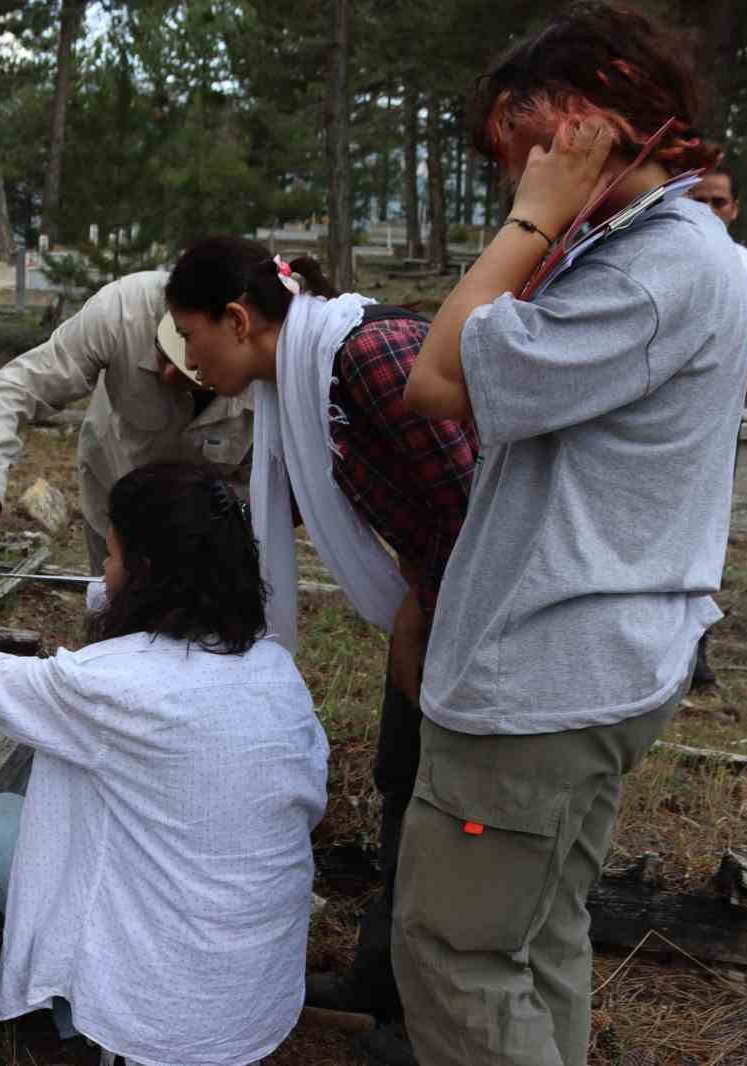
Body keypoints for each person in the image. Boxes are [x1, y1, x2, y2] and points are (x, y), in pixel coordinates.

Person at [398, 5, 747, 1065]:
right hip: (590, 663)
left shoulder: (654, 270)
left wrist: (532, 219)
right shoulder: (667, 249)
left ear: (584, 121)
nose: (516, 172)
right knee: (536, 930)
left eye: (526, 146)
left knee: (454, 952)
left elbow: (434, 377)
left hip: (541, 682)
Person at [0, 462, 327, 1066]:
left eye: (111, 555)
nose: (102, 571)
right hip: (256, 1002)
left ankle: (85, 1017)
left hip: (163, 1021)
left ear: (148, 574)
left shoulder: (116, 687)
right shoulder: (275, 671)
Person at [164, 237, 478, 1064]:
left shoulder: (369, 355)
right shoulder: (292, 384)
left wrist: (418, 612)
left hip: (481, 612)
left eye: (190, 334)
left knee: (451, 807)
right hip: (431, 594)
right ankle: (383, 979)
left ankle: (426, 1025)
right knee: (400, 783)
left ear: (238, 319)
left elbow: (478, 506)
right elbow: (292, 500)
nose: (186, 357)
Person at [0, 271, 252, 572]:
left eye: (190, 371)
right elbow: (16, 388)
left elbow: (270, 487)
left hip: (210, 531)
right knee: (116, 614)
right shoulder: (124, 311)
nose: (170, 372)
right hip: (113, 503)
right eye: (163, 352)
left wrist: (230, 527)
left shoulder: (271, 363)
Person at [688, 165, 747, 688]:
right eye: (698, 199)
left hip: (714, 426)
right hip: (664, 423)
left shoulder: (737, 260)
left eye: (718, 202)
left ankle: (696, 655)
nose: (709, 210)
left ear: (735, 209)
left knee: (706, 529)